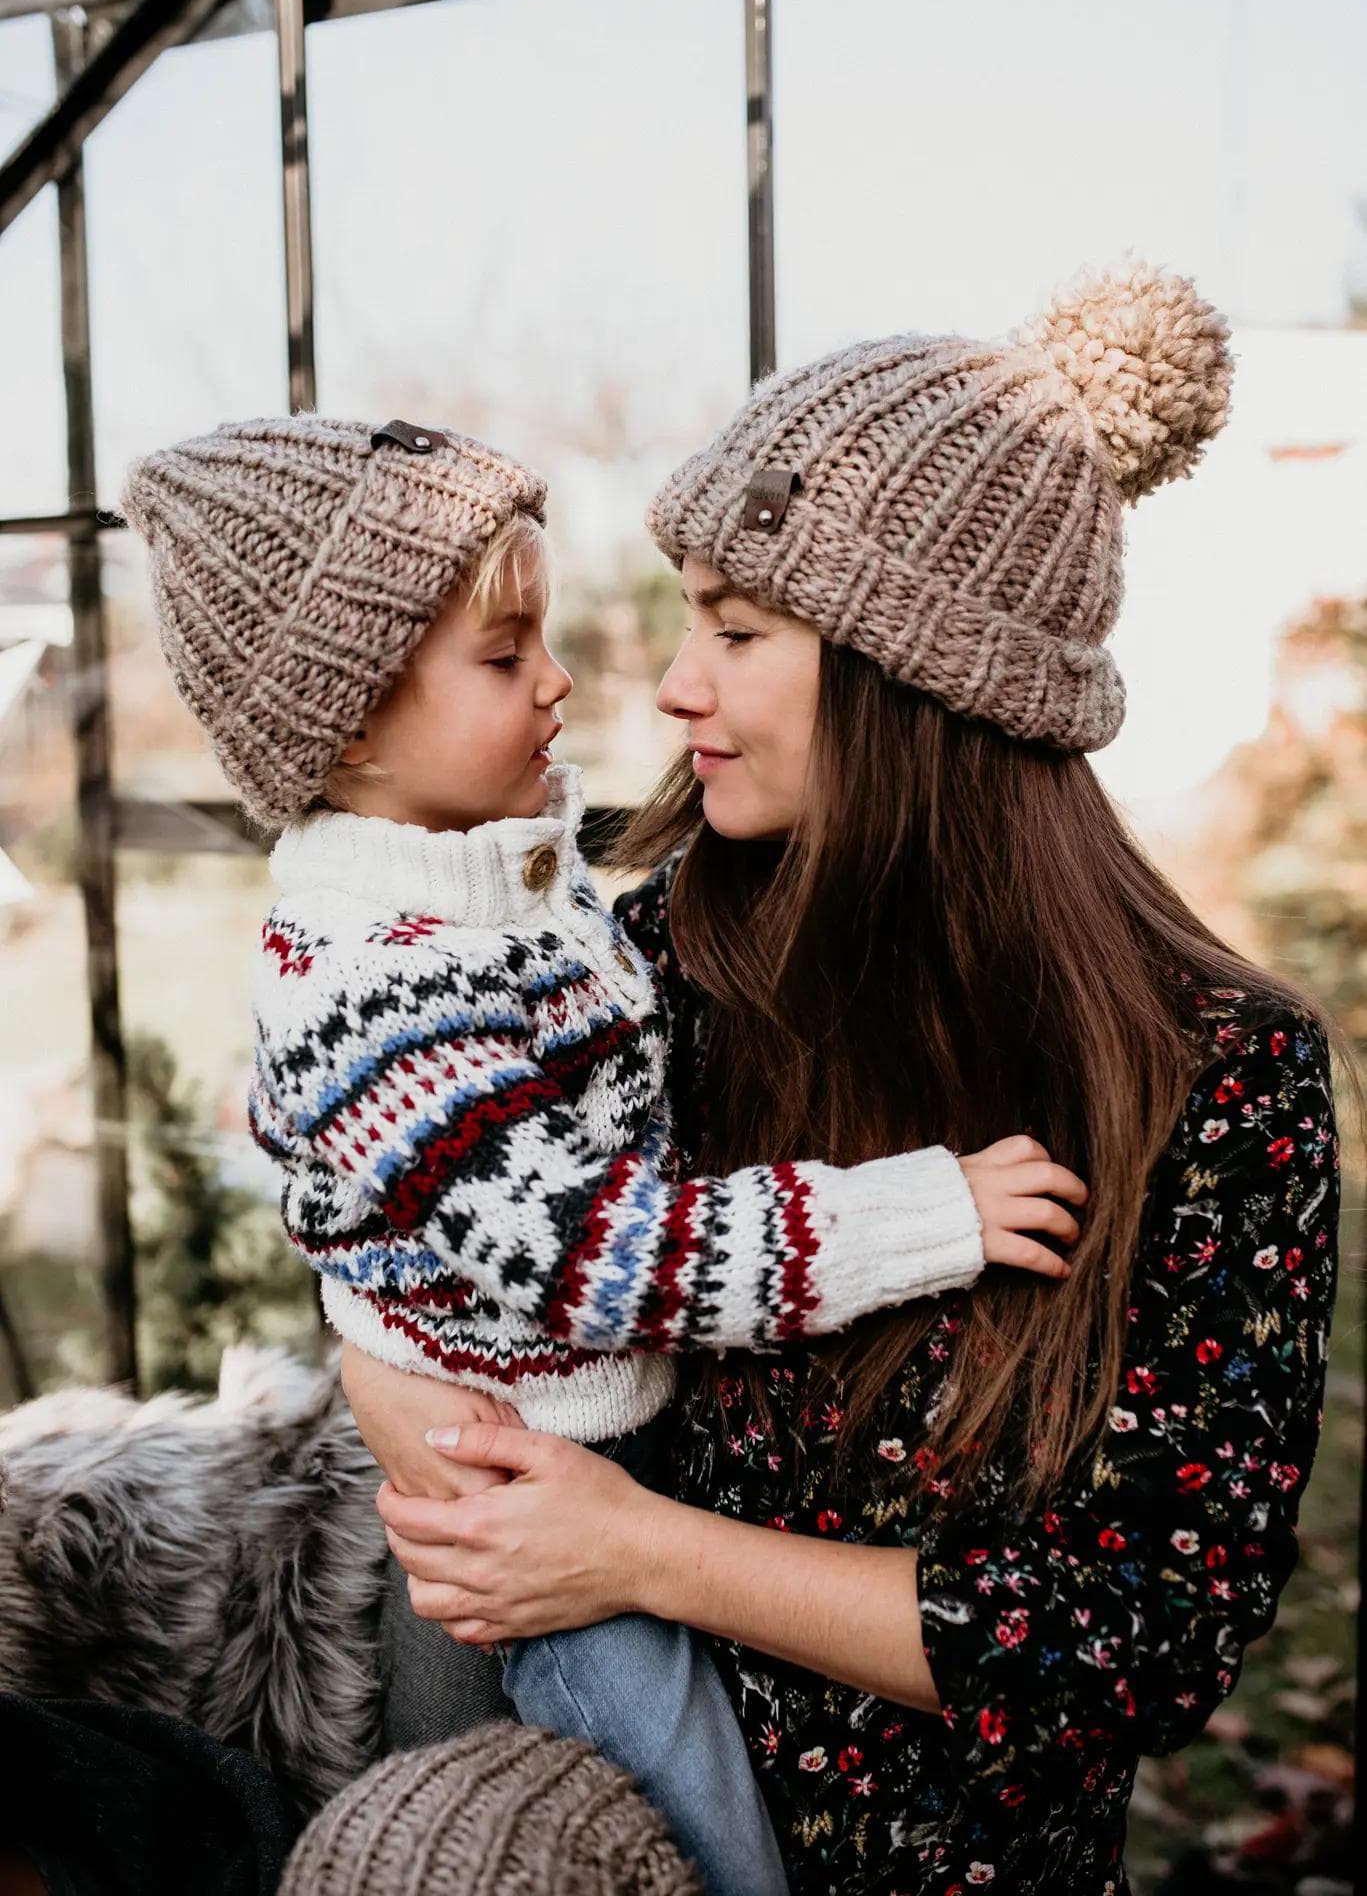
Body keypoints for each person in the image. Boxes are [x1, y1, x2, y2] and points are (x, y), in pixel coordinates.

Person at [358, 264, 1343, 1895]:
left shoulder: (1216, 1075)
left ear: (922, 685)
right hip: (583, 1828)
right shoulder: (653, 962)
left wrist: (644, 1551)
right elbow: (413, 1259)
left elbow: (1146, 1635)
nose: (677, 685)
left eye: (739, 631)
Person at [119, 414, 1083, 1896]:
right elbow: (610, 1256)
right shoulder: (382, 979)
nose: (566, 683)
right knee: (704, 1839)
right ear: (350, 725)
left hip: (575, 1467)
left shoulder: (505, 899)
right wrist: (923, 1215)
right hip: (531, 1521)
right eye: (506, 661)